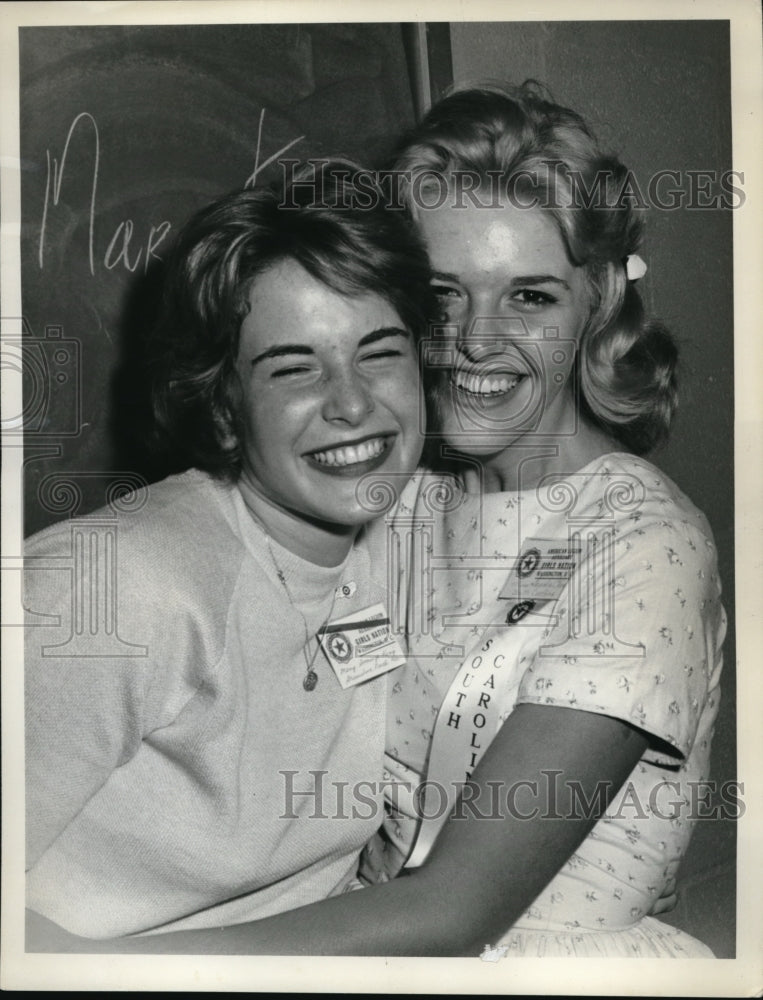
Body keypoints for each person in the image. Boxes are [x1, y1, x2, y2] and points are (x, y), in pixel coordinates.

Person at [50, 84, 720, 958]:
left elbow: (455, 912)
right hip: (357, 934)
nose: (476, 340)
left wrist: (97, 969)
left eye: (529, 298)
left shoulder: (644, 543)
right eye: (443, 295)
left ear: (595, 300)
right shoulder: (398, 494)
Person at [24, 165, 433, 945]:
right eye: (294, 368)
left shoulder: (404, 542)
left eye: (379, 354)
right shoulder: (115, 588)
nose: (352, 403)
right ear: (220, 407)